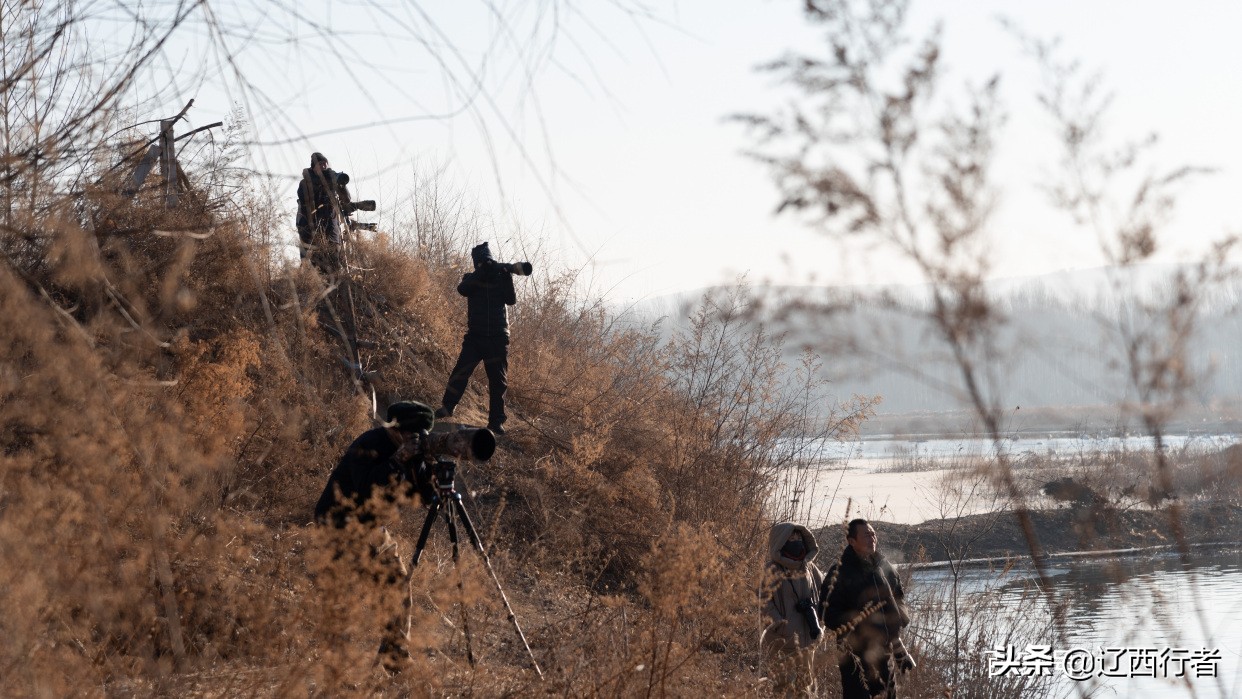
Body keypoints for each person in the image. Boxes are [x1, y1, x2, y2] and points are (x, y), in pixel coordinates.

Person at [313, 400, 436, 674]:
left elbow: (425, 497)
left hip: (372, 529)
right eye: (410, 434)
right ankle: (336, 674)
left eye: (419, 435)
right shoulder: (369, 444)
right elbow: (366, 492)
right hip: (339, 524)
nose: (414, 440)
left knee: (398, 585)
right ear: (395, 430)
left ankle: (396, 656)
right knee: (343, 599)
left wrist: (428, 466)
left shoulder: (411, 449)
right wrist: (396, 460)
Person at [821, 519, 915, 699]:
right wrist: (862, 620)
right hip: (854, 656)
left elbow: (898, 599)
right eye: (866, 535)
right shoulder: (839, 572)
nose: (872, 538)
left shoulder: (883, 567)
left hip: (884, 653)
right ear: (852, 541)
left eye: (873, 534)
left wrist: (898, 643)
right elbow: (828, 615)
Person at [435, 242, 517, 434]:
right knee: (461, 371)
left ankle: (496, 422)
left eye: (488, 261)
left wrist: (507, 276)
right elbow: (462, 289)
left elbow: (511, 300)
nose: (486, 265)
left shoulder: (501, 277)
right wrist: (481, 272)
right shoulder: (470, 278)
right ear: (476, 264)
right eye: (482, 263)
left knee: (498, 381)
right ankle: (448, 407)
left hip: (498, 336)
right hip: (475, 336)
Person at [761, 521, 826, 697]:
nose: (796, 541)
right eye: (791, 537)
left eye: (799, 537)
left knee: (806, 686)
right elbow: (764, 602)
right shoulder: (772, 569)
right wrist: (781, 625)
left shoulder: (810, 568)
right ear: (781, 541)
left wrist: (820, 623)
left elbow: (825, 595)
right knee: (783, 689)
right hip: (783, 641)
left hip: (808, 639)